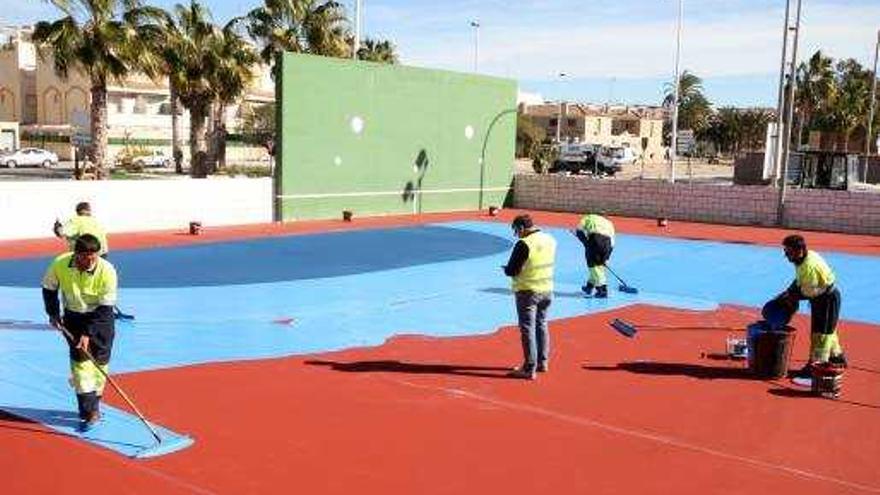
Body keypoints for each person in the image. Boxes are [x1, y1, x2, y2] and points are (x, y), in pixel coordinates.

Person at [41, 234, 118, 430]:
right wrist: (53, 313)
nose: (89, 262)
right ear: (75, 254)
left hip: (100, 320)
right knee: (81, 363)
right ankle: (89, 411)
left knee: (100, 363)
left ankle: (95, 401)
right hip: (73, 318)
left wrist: (87, 334)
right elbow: (49, 288)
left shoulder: (107, 271)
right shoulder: (60, 263)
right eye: (84, 257)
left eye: (93, 258)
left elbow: (105, 308)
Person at [778, 234, 846, 381]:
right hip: (820, 297)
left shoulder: (809, 267)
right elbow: (799, 281)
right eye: (785, 251)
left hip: (826, 299)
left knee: (821, 334)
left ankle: (816, 366)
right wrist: (789, 291)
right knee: (827, 331)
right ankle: (837, 358)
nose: (787, 256)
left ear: (799, 250)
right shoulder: (805, 258)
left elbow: (809, 292)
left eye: (789, 252)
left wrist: (791, 298)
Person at [502, 214, 557, 380]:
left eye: (516, 231)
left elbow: (512, 270)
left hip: (528, 291)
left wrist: (506, 269)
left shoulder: (524, 244)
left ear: (521, 228)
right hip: (547, 289)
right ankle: (542, 362)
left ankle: (529, 367)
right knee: (542, 324)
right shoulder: (550, 239)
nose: (516, 235)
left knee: (527, 328)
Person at [572, 212, 615, 298]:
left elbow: (579, 230)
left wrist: (585, 243)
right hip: (608, 244)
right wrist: (606, 258)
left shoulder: (589, 217)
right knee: (599, 265)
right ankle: (589, 286)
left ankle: (602, 290)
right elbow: (613, 242)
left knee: (593, 265)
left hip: (595, 240)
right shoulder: (609, 223)